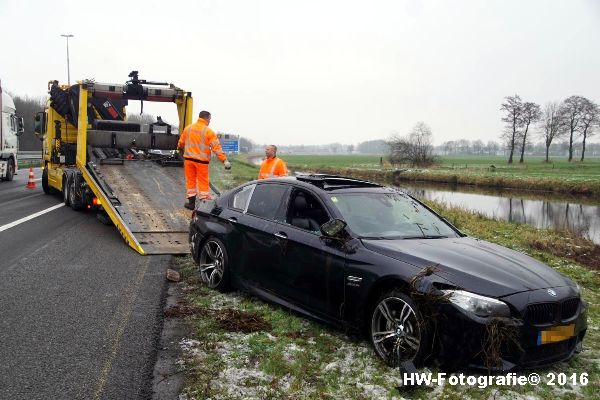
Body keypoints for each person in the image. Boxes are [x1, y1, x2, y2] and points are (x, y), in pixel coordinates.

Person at [177, 111, 231, 209]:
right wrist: (224, 161)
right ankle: (204, 205)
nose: (210, 121)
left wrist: (179, 149)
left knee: (190, 181)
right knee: (203, 183)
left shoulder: (188, 128)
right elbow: (216, 148)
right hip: (202, 162)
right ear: (206, 118)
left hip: (188, 160)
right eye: (210, 119)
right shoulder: (208, 131)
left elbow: (181, 142)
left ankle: (191, 204)